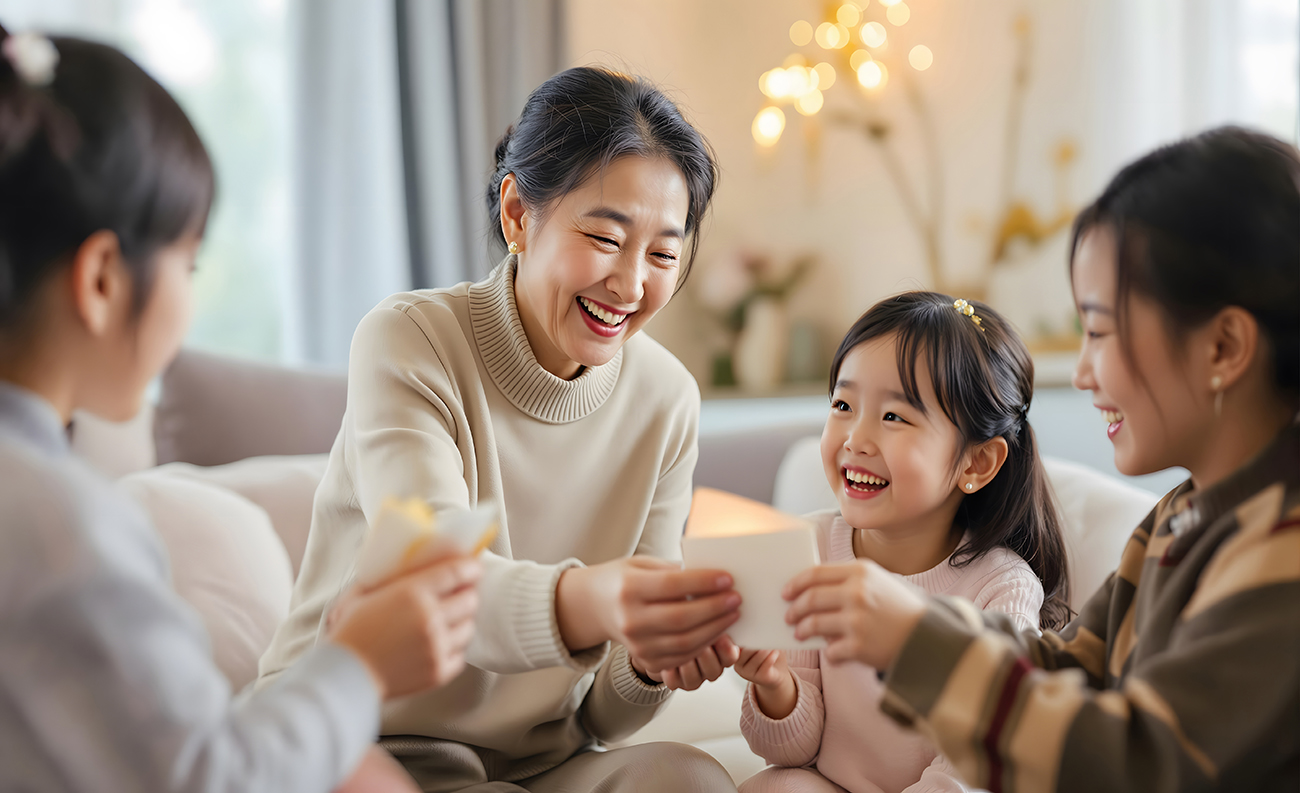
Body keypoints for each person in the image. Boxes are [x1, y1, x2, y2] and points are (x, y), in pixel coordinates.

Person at [0, 29, 482, 793]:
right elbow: (209, 778)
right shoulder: (62, 524)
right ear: (100, 279)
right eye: (186, 262)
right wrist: (358, 661)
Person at [258, 66, 740, 792]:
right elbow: (440, 582)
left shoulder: (668, 397)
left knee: (690, 778)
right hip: (364, 746)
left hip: (536, 766)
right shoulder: (409, 339)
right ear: (518, 213)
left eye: (664, 254)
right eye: (606, 238)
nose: (632, 283)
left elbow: (601, 717)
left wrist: (647, 661)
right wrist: (602, 597)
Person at [780, 127, 1300, 792]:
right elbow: (1066, 668)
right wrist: (911, 623)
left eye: (1101, 330)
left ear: (1224, 346)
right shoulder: (1179, 518)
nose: (1083, 372)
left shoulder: (1281, 545)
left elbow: (1142, 759)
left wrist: (918, 641)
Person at [735, 292, 1070, 792]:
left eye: (894, 417)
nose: (856, 439)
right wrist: (774, 684)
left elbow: (968, 772)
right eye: (843, 405)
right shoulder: (808, 546)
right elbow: (793, 752)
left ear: (976, 464)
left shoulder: (1001, 589)